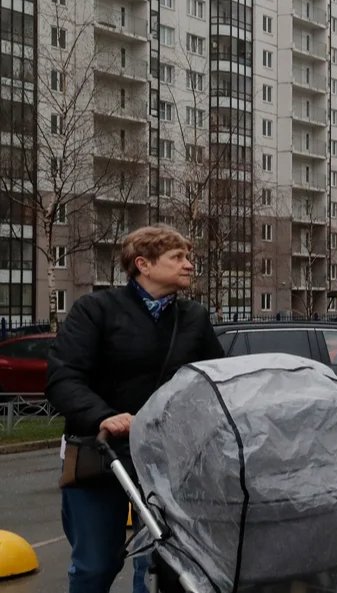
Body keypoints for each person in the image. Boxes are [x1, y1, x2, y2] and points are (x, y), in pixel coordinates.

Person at [46, 224, 225, 593]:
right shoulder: (96, 310)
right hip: (101, 453)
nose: (189, 265)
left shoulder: (194, 318)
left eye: (188, 257)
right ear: (143, 264)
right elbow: (64, 378)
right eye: (178, 257)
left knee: (167, 563)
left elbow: (213, 381)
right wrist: (102, 416)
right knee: (96, 564)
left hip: (168, 459)